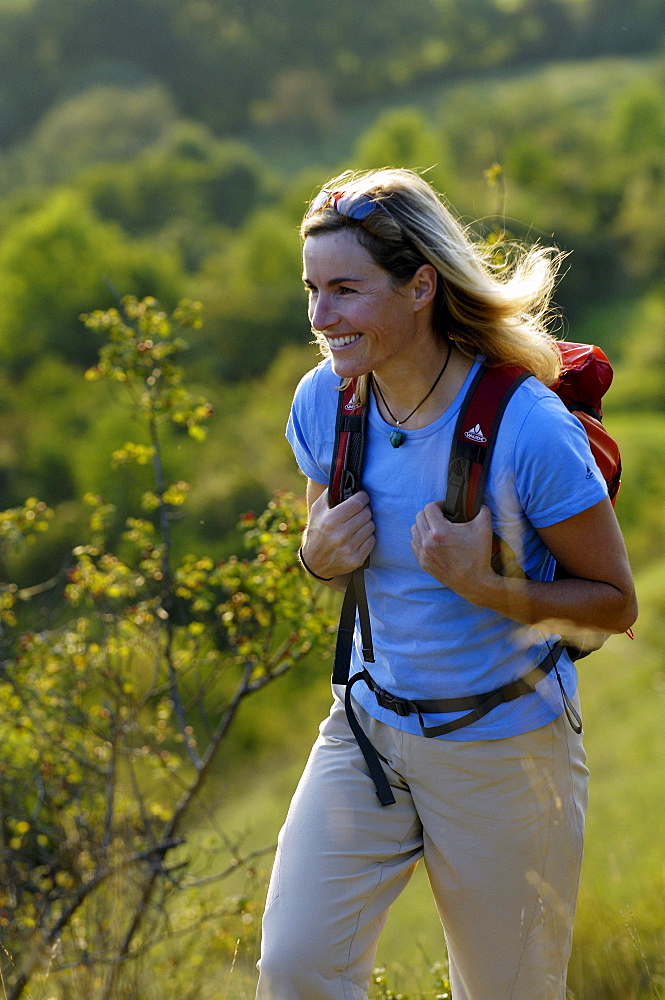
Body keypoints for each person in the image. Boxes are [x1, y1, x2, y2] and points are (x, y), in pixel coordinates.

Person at [255, 168, 637, 1000]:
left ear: (419, 285)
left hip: (505, 748)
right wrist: (314, 555)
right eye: (312, 290)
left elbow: (614, 604)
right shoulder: (327, 401)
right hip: (365, 731)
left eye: (346, 291)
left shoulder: (525, 425)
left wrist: (492, 585)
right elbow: (326, 544)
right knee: (295, 969)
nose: (320, 318)